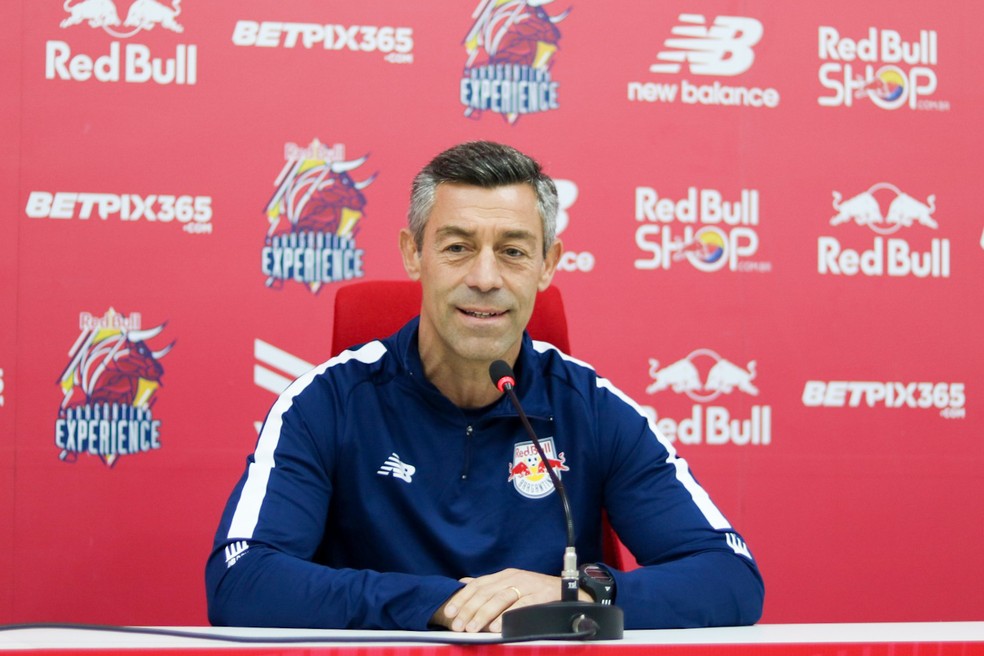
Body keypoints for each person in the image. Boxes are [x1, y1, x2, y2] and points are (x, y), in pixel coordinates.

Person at [205, 141, 764, 632]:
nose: (486, 277)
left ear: (547, 266)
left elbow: (730, 577)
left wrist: (577, 593)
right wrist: (444, 602)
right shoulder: (324, 403)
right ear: (412, 254)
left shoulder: (593, 408)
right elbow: (242, 580)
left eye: (514, 251)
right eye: (457, 246)